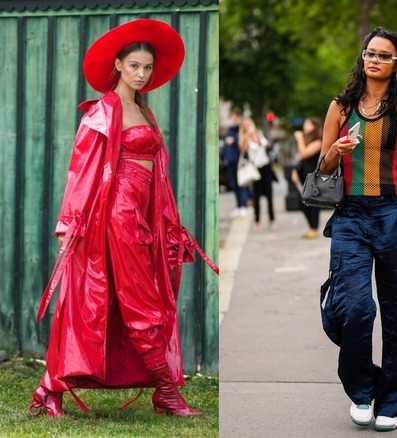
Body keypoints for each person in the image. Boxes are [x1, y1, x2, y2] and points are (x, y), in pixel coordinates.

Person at [28, 19, 218, 418]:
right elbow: (81, 169)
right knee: (138, 300)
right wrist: (69, 225)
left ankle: (50, 388)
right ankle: (166, 392)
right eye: (134, 65)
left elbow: (157, 173)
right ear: (118, 65)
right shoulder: (103, 111)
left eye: (147, 67)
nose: (141, 73)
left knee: (119, 302)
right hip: (117, 215)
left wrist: (168, 221)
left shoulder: (141, 109)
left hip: (145, 214)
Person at [317, 27, 397, 432]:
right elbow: (322, 169)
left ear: (396, 63)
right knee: (355, 307)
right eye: (368, 52)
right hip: (351, 217)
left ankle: (392, 400)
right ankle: (361, 391)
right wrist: (335, 152)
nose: (372, 59)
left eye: (383, 55)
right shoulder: (340, 107)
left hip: (394, 214)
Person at [241, 117, 276, 231]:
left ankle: (272, 220)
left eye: (249, 124)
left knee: (270, 195)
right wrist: (247, 137)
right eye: (246, 125)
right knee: (256, 196)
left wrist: (255, 137)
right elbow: (242, 150)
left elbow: (266, 144)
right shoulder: (244, 138)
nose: (248, 127)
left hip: (265, 167)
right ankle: (257, 221)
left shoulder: (259, 134)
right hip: (255, 169)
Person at [294, 118, 323, 238]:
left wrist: (299, 139)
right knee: (302, 202)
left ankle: (314, 228)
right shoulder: (308, 140)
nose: (304, 126)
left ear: (314, 126)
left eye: (307, 124)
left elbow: (305, 153)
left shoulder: (318, 140)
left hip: (313, 175)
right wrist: (295, 171)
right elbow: (301, 157)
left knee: (312, 202)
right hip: (304, 173)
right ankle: (311, 227)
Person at [224, 108, 251, 218]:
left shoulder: (240, 130)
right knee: (234, 185)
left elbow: (243, 144)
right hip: (230, 161)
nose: (234, 119)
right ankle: (239, 206)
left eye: (236, 117)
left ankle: (244, 205)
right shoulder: (230, 129)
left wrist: (234, 141)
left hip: (239, 161)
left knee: (242, 184)